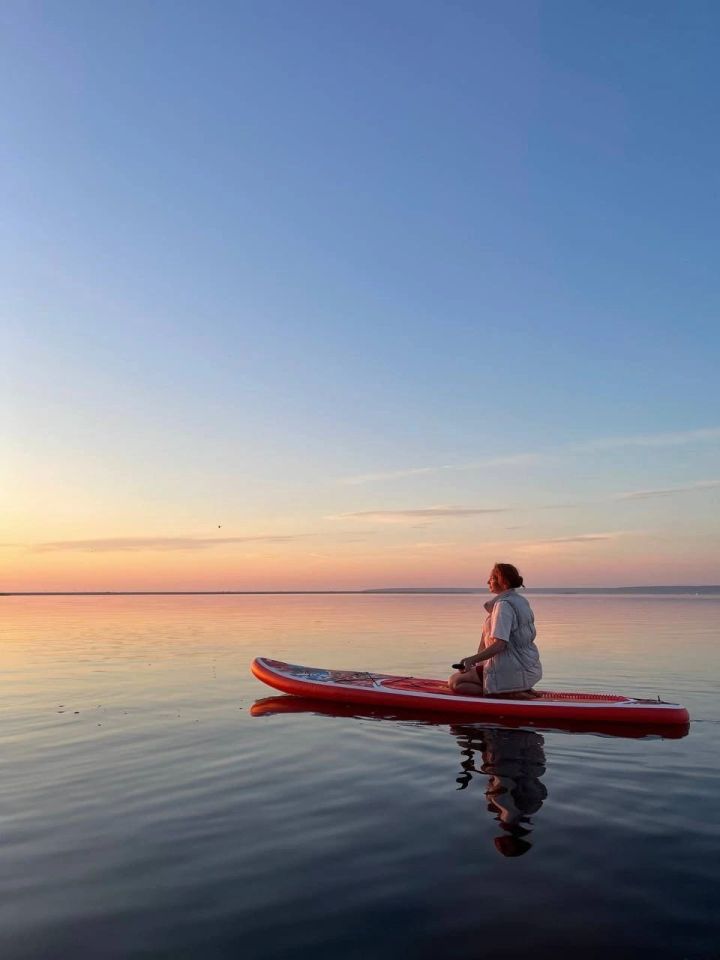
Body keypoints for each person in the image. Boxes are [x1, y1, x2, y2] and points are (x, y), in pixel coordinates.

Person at [449, 563, 542, 699]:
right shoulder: (521, 601)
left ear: (503, 582)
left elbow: (500, 645)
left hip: (509, 669)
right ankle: (517, 688)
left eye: (492, 578)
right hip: (525, 667)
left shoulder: (503, 606)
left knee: (455, 681)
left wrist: (470, 660)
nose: (488, 582)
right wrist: (476, 662)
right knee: (467, 675)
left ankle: (505, 693)